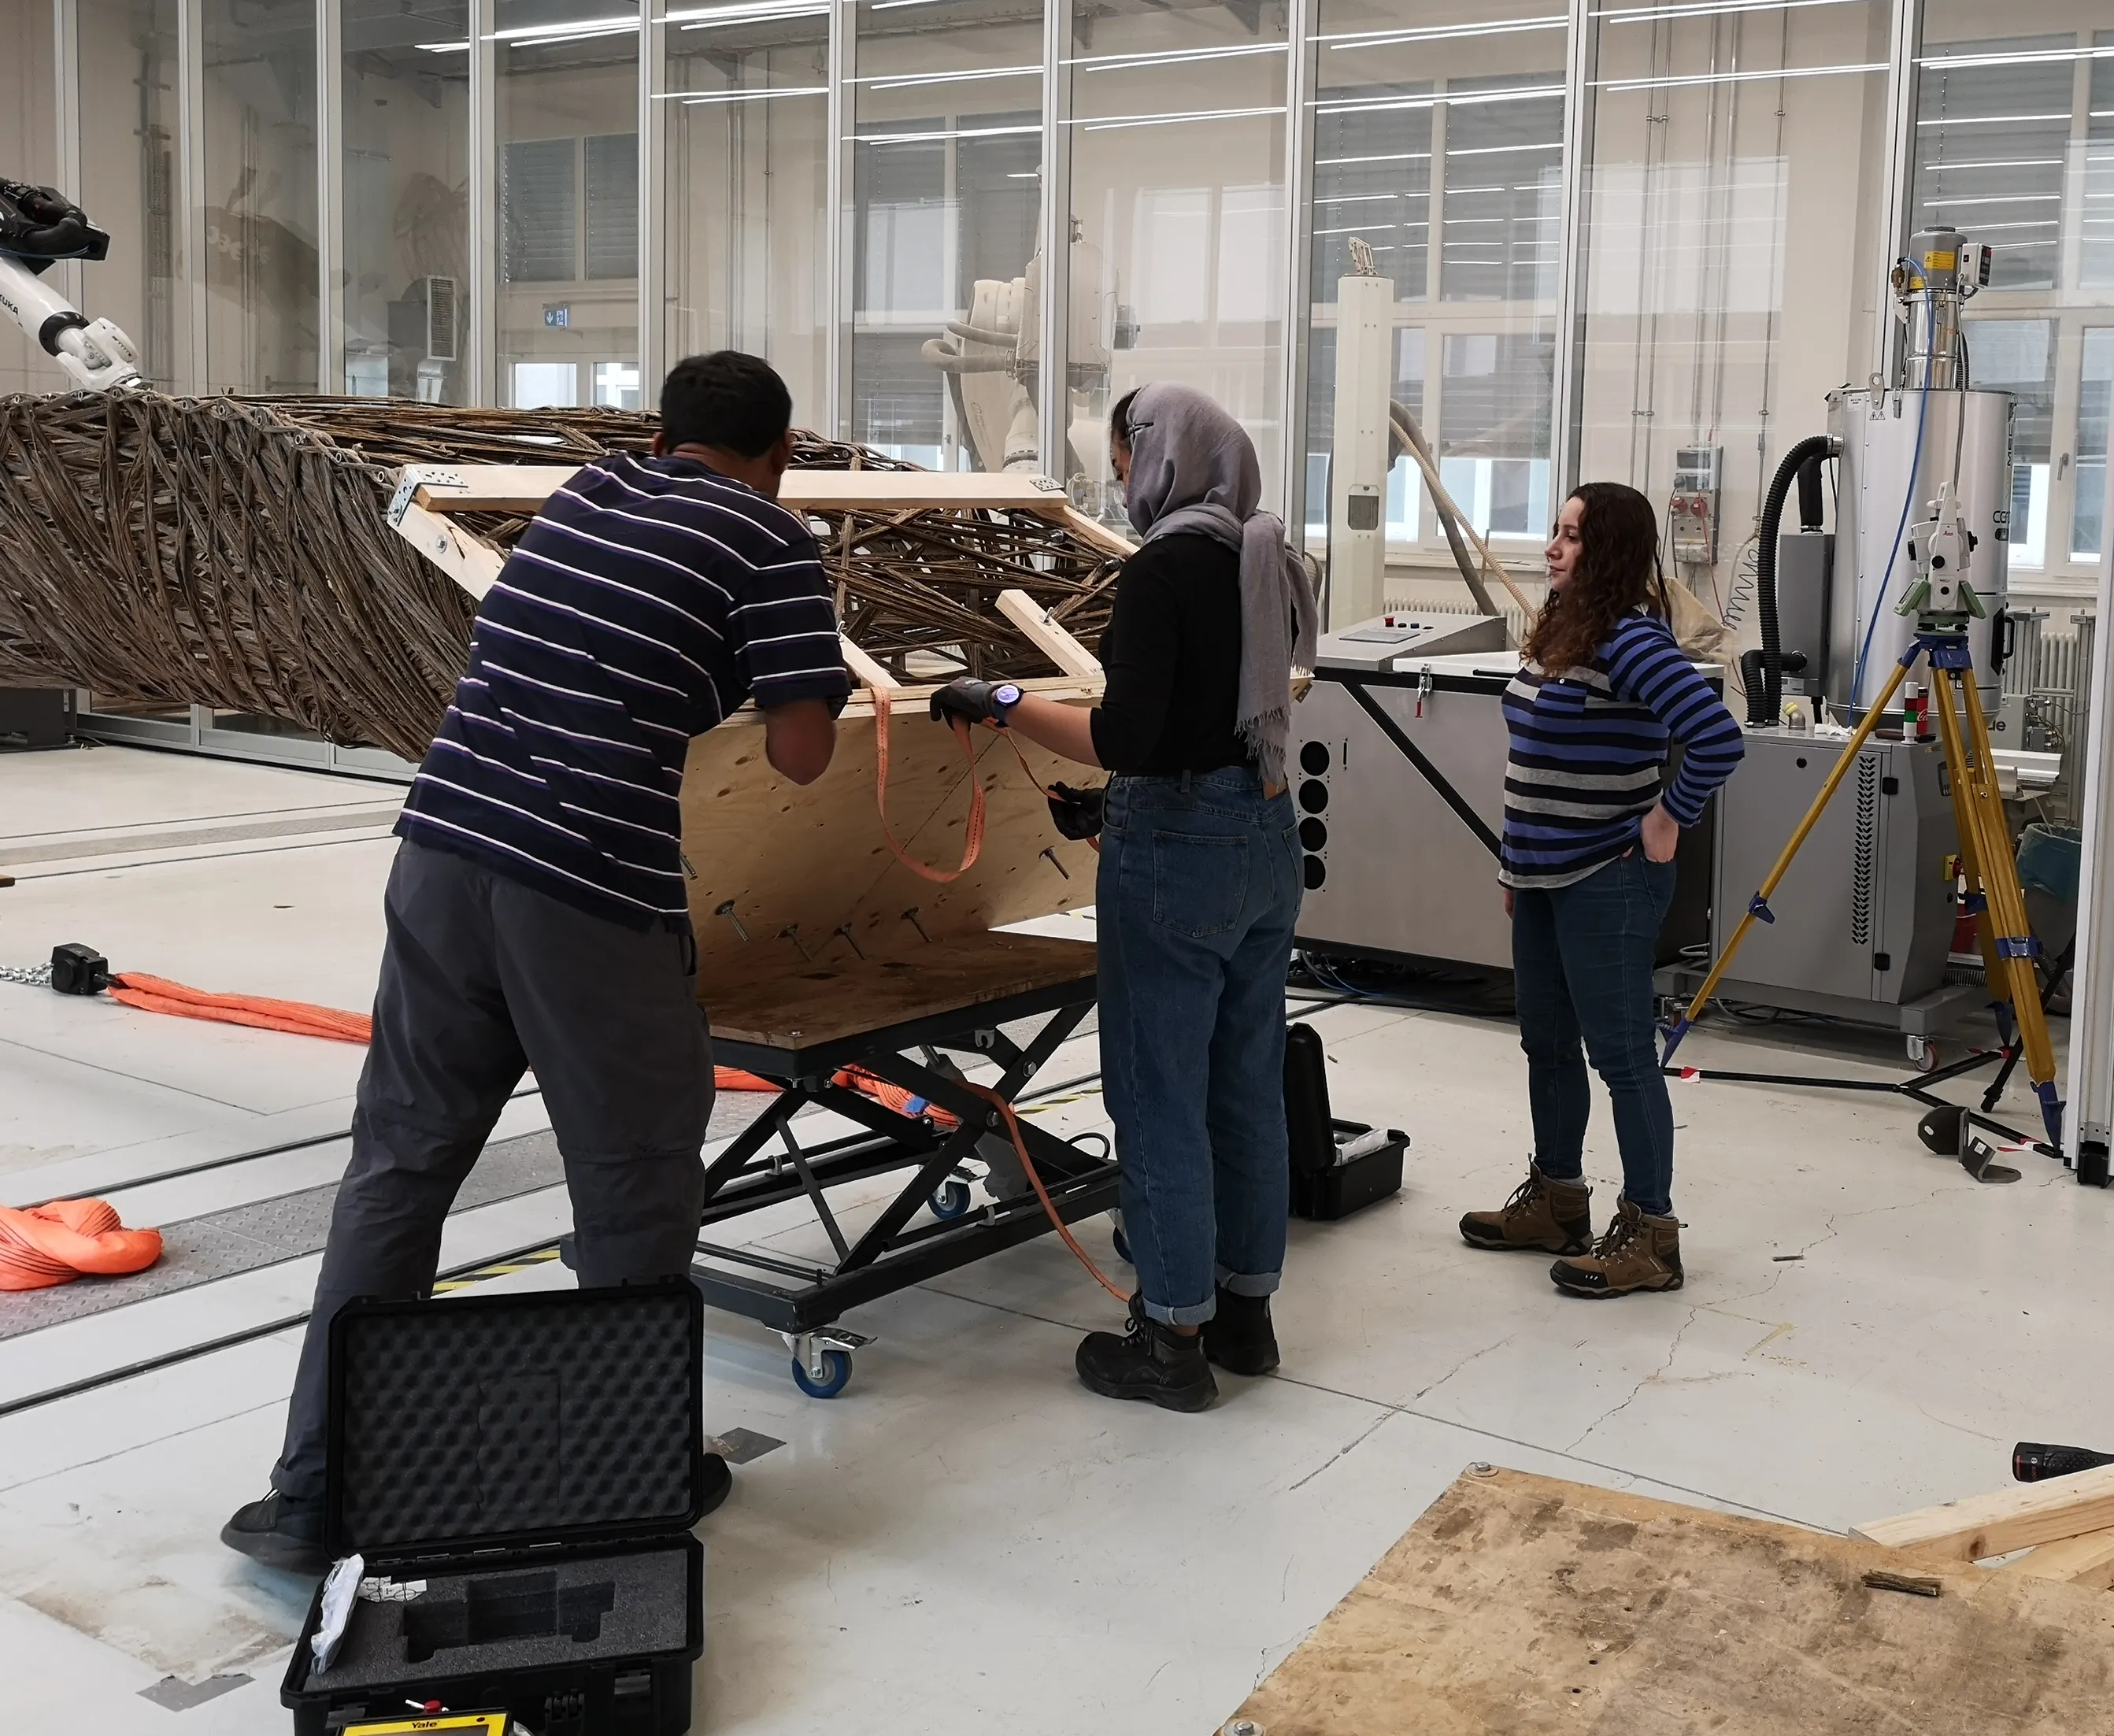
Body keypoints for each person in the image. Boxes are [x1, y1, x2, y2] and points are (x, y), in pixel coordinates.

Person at [224, 352, 845, 1573]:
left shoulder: (585, 493)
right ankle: (626, 1478)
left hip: (442, 854)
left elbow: (591, 648)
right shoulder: (772, 542)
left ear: (661, 436)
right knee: (636, 1180)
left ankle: (314, 1493)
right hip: (586, 888)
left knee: (399, 1168)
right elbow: (802, 754)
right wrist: (786, 661)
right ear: (778, 455)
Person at [932, 383, 1314, 1411]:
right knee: (1243, 1086)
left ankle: (1171, 1340)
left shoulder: (1161, 569)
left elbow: (1125, 737)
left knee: (1158, 1096)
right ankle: (1244, 1314)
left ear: (1161, 456)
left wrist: (1000, 700)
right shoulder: (1264, 558)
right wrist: (1121, 810)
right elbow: (1220, 723)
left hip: (1180, 851)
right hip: (1264, 836)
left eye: (1121, 459)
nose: (1119, 480)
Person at [1459, 483, 1744, 1297]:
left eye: (1574, 536)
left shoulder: (1630, 638)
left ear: (1610, 551)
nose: (1554, 547)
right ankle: (1557, 1202)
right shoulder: (1564, 630)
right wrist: (1516, 865)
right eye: (1555, 531)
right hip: (1542, 878)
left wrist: (1669, 818)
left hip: (1606, 878)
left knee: (1621, 1058)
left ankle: (1651, 1234)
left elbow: (1717, 738)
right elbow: (1533, 765)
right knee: (1547, 1045)